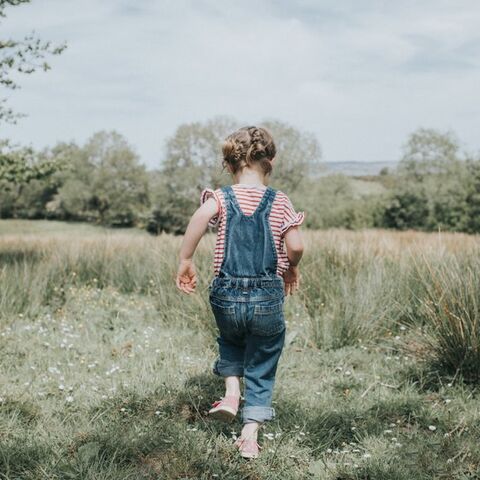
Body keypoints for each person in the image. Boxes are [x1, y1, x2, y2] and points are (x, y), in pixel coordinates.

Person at [175, 125, 305, 459]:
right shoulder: (279, 201)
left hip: (225, 292)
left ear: (230, 164)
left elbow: (201, 216)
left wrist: (186, 259)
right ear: (270, 161)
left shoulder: (221, 198)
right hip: (266, 296)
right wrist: (291, 266)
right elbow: (296, 245)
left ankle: (231, 393)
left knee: (231, 340)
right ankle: (249, 436)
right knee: (262, 358)